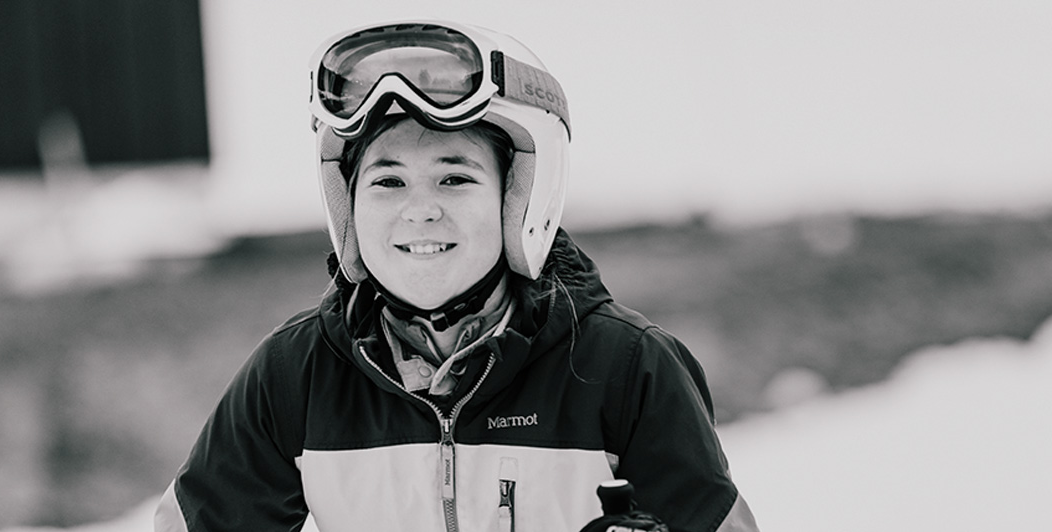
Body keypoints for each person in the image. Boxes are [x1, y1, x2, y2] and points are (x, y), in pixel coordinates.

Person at [155, 19, 759, 532]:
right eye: (387, 181)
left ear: (519, 200)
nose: (419, 210)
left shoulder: (626, 368)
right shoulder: (297, 375)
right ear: (348, 209)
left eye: (455, 177)